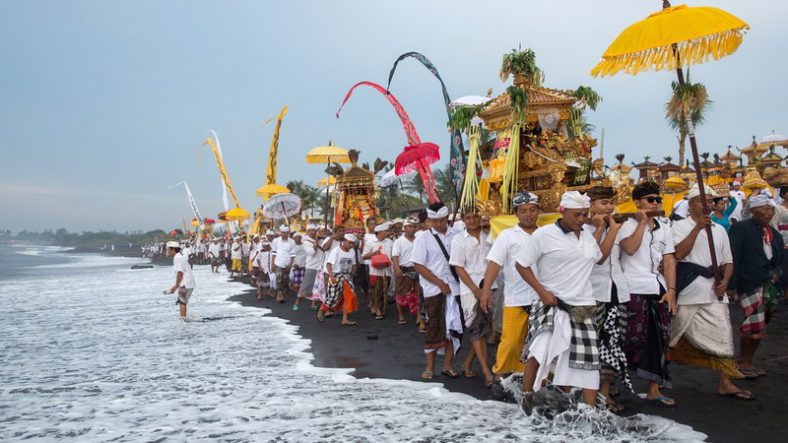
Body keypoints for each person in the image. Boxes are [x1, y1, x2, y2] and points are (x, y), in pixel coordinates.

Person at [515, 191, 603, 412]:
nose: (582, 219)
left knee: (588, 360)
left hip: (583, 305)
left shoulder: (588, 236)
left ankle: (591, 413)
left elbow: (599, 257)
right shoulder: (543, 235)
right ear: (562, 211)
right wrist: (541, 291)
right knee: (539, 352)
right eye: (577, 215)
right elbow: (521, 265)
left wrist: (603, 229)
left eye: (585, 214)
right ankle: (526, 399)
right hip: (550, 303)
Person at [670, 184, 753, 400]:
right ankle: (655, 382)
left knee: (724, 335)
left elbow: (728, 261)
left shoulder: (719, 230)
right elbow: (678, 254)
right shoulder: (678, 227)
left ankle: (726, 382)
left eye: (709, 201)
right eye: (701, 201)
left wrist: (725, 281)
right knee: (670, 336)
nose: (707, 204)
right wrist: (697, 228)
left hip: (713, 292)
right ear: (690, 205)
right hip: (687, 291)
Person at [618, 181, 678, 408]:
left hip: (657, 288)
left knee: (659, 339)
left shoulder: (665, 226)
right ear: (637, 203)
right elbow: (630, 249)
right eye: (650, 200)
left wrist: (671, 290)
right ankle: (610, 384)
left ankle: (654, 389)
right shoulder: (626, 225)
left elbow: (669, 259)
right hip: (631, 288)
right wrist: (642, 224)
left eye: (658, 199)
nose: (655, 203)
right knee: (628, 339)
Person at [480, 191, 540, 378]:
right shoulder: (507, 236)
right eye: (523, 211)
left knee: (539, 341)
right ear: (516, 213)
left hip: (543, 298)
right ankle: (501, 374)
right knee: (511, 341)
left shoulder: (546, 233)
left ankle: (535, 377)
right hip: (516, 297)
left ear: (539, 211)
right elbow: (494, 263)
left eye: (532, 210)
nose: (528, 214)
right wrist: (486, 290)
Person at [584, 186, 630, 412]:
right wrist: (606, 229)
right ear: (590, 206)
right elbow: (599, 258)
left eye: (611, 202)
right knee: (590, 346)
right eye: (603, 202)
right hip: (592, 294)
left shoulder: (619, 227)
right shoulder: (581, 229)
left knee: (612, 343)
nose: (609, 207)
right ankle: (586, 393)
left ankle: (604, 392)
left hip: (617, 290)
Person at [728, 193, 783, 378]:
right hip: (748, 282)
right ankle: (744, 362)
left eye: (770, 209)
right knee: (754, 327)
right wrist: (731, 285)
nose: (769, 213)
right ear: (754, 210)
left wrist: (777, 274)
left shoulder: (772, 233)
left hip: (767, 284)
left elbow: (778, 260)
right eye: (765, 209)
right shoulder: (741, 229)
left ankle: (747, 361)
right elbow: (733, 257)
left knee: (761, 325)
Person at [411, 202, 462, 380]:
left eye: (441, 221)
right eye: (434, 221)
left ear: (446, 219)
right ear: (429, 221)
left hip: (456, 288)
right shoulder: (423, 239)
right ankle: (429, 367)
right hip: (434, 290)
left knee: (454, 328)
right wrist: (440, 283)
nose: (438, 224)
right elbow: (418, 265)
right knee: (434, 328)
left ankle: (448, 365)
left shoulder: (458, 234)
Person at [450, 208, 495, 387]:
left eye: (475, 216)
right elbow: (458, 268)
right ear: (463, 220)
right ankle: (486, 371)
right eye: (468, 217)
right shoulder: (458, 240)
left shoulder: (490, 236)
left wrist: (485, 289)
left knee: (488, 331)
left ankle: (468, 363)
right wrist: (476, 290)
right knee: (476, 330)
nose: (472, 220)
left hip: (493, 287)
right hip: (470, 291)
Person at [319, 233, 359, 326]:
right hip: (336, 275)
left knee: (349, 296)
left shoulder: (352, 251)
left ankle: (344, 319)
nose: (351, 245)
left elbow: (353, 264)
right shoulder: (336, 251)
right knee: (333, 298)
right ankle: (321, 309)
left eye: (352, 243)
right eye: (349, 243)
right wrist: (331, 276)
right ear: (343, 241)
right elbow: (328, 264)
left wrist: (354, 269)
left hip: (347, 276)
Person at [392, 217, 422, 328]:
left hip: (417, 269)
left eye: (414, 226)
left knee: (418, 293)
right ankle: (401, 315)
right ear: (405, 228)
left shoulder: (419, 240)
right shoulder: (398, 241)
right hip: (403, 269)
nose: (412, 229)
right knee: (400, 293)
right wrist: (397, 269)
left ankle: (419, 316)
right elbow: (395, 257)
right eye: (410, 226)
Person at [362, 222, 394, 320]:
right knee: (376, 290)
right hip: (375, 271)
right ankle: (377, 309)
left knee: (385, 290)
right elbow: (364, 256)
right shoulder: (370, 242)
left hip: (387, 270)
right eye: (385, 231)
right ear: (379, 233)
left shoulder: (390, 242)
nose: (387, 233)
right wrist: (373, 254)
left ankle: (378, 307)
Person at [165, 240, 196, 320]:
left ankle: (183, 320)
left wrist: (175, 286)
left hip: (185, 283)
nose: (167, 251)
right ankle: (184, 318)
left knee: (182, 301)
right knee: (182, 301)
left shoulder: (177, 258)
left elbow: (180, 273)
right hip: (188, 282)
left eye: (168, 249)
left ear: (173, 249)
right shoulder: (179, 256)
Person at [297, 224, 324, 311]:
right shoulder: (306, 243)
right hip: (311, 267)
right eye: (310, 230)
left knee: (317, 287)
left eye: (314, 230)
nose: (312, 232)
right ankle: (297, 303)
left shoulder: (320, 240)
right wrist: (316, 242)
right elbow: (312, 252)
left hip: (320, 267)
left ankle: (313, 304)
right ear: (307, 232)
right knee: (305, 287)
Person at [770, 186, 788, 299]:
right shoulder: (778, 208)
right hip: (784, 241)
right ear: (784, 194)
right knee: (785, 268)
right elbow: (774, 225)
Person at [271, 226, 296, 303]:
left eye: (286, 232)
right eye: (283, 232)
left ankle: (280, 292)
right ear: (280, 233)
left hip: (287, 263)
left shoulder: (292, 242)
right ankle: (280, 295)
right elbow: (273, 253)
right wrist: (272, 264)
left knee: (285, 279)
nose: (284, 234)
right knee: (279, 279)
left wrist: (290, 264)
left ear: (288, 233)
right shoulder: (276, 241)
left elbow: (293, 254)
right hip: (279, 263)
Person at [290, 232, 307, 310]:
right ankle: (299, 295)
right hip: (296, 267)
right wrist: (294, 264)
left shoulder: (305, 246)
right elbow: (291, 257)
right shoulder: (292, 247)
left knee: (302, 285)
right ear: (294, 238)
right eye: (296, 237)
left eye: (299, 237)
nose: (298, 238)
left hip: (304, 266)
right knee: (296, 285)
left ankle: (299, 298)